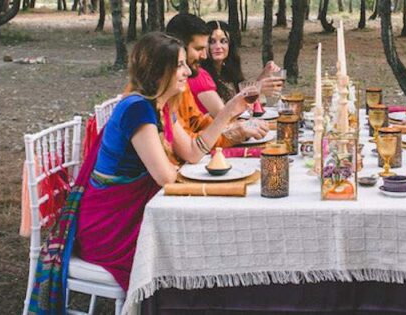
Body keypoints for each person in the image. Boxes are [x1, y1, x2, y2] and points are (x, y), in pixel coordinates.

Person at [27, 33, 249, 312]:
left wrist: (228, 111)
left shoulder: (160, 107)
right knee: (183, 251)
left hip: (127, 214)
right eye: (180, 65)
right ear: (159, 71)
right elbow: (166, 177)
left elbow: (192, 152)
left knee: (195, 241)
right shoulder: (138, 110)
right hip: (109, 227)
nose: (188, 71)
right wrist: (175, 162)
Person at [164, 13, 267, 142]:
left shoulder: (183, 85)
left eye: (224, 41)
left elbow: (199, 123)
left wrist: (234, 128)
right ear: (178, 48)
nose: (205, 55)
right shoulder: (194, 77)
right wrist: (233, 130)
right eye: (210, 43)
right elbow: (189, 149)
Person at [195, 19, 285, 117]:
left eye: (223, 41)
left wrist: (263, 76)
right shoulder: (200, 75)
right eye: (212, 42)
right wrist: (257, 88)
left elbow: (242, 101)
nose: (218, 46)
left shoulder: (227, 71)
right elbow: (222, 115)